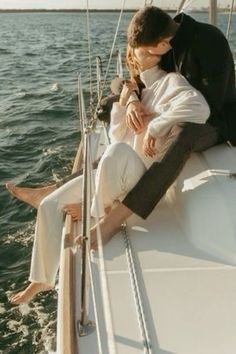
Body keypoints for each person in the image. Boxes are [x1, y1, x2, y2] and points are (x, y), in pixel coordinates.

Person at [9, 42, 210, 304]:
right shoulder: (135, 92)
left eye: (135, 52)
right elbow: (116, 134)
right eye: (131, 55)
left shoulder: (170, 81)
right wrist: (126, 103)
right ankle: (41, 280)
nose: (132, 58)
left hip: (144, 180)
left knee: (117, 153)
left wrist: (156, 126)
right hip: (115, 174)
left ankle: (95, 209)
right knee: (49, 205)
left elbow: (199, 107)